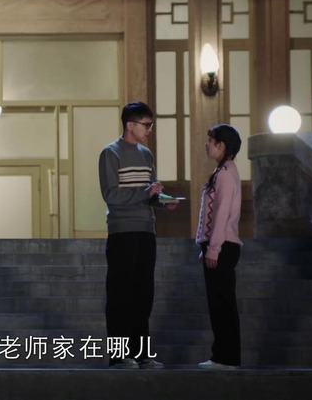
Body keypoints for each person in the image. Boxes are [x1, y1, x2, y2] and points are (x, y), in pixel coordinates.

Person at [98, 102, 176, 369]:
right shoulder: (110, 152)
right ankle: (119, 356)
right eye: (146, 124)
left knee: (143, 294)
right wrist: (145, 192)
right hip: (122, 231)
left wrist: (163, 201)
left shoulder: (146, 154)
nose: (150, 129)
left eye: (151, 124)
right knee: (120, 294)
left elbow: (149, 193)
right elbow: (110, 194)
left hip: (146, 230)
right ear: (130, 125)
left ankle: (141, 354)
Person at [195, 123, 243, 370]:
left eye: (210, 141)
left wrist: (213, 249)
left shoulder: (225, 173)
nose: (207, 145)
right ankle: (223, 356)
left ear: (222, 145)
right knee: (221, 303)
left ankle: (225, 357)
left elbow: (221, 214)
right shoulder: (225, 171)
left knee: (221, 304)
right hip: (221, 245)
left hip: (223, 246)